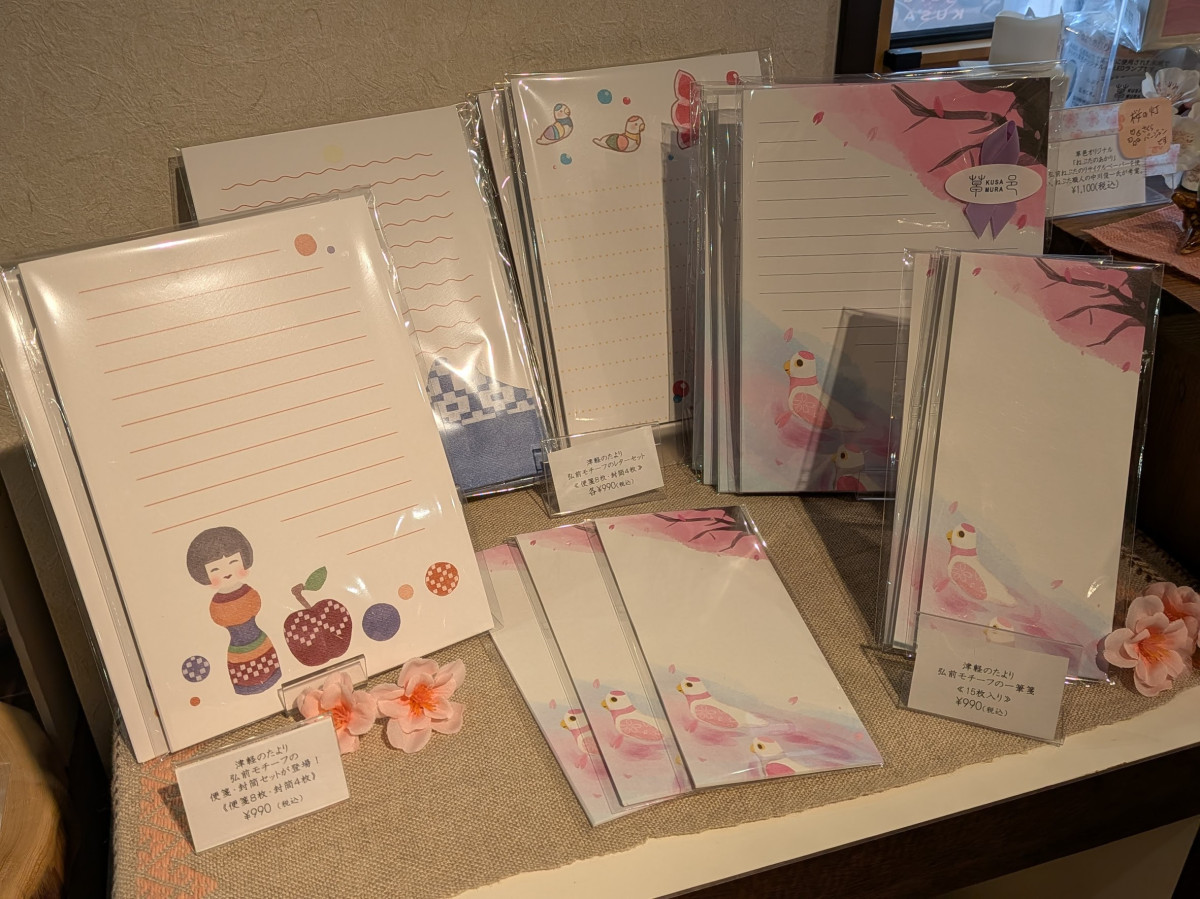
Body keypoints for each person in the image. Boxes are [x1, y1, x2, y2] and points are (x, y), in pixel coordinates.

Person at [185, 526, 282, 695]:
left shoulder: (249, 592)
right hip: (237, 652)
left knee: (269, 671)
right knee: (247, 679)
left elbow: (254, 605)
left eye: (232, 562)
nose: (226, 573)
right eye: (215, 569)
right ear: (204, 575)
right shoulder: (217, 604)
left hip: (261, 643)